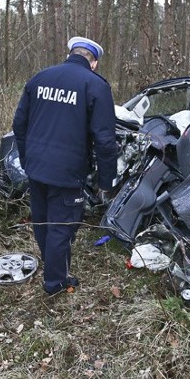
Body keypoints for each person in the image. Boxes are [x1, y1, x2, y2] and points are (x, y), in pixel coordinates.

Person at [12, 36, 117, 296]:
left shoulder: (40, 78)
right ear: (94, 63)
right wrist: (106, 181)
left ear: (70, 52)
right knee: (62, 227)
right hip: (68, 172)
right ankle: (56, 283)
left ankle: (52, 266)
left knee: (43, 220)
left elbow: (19, 124)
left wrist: (26, 159)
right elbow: (105, 140)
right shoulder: (95, 85)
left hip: (36, 167)